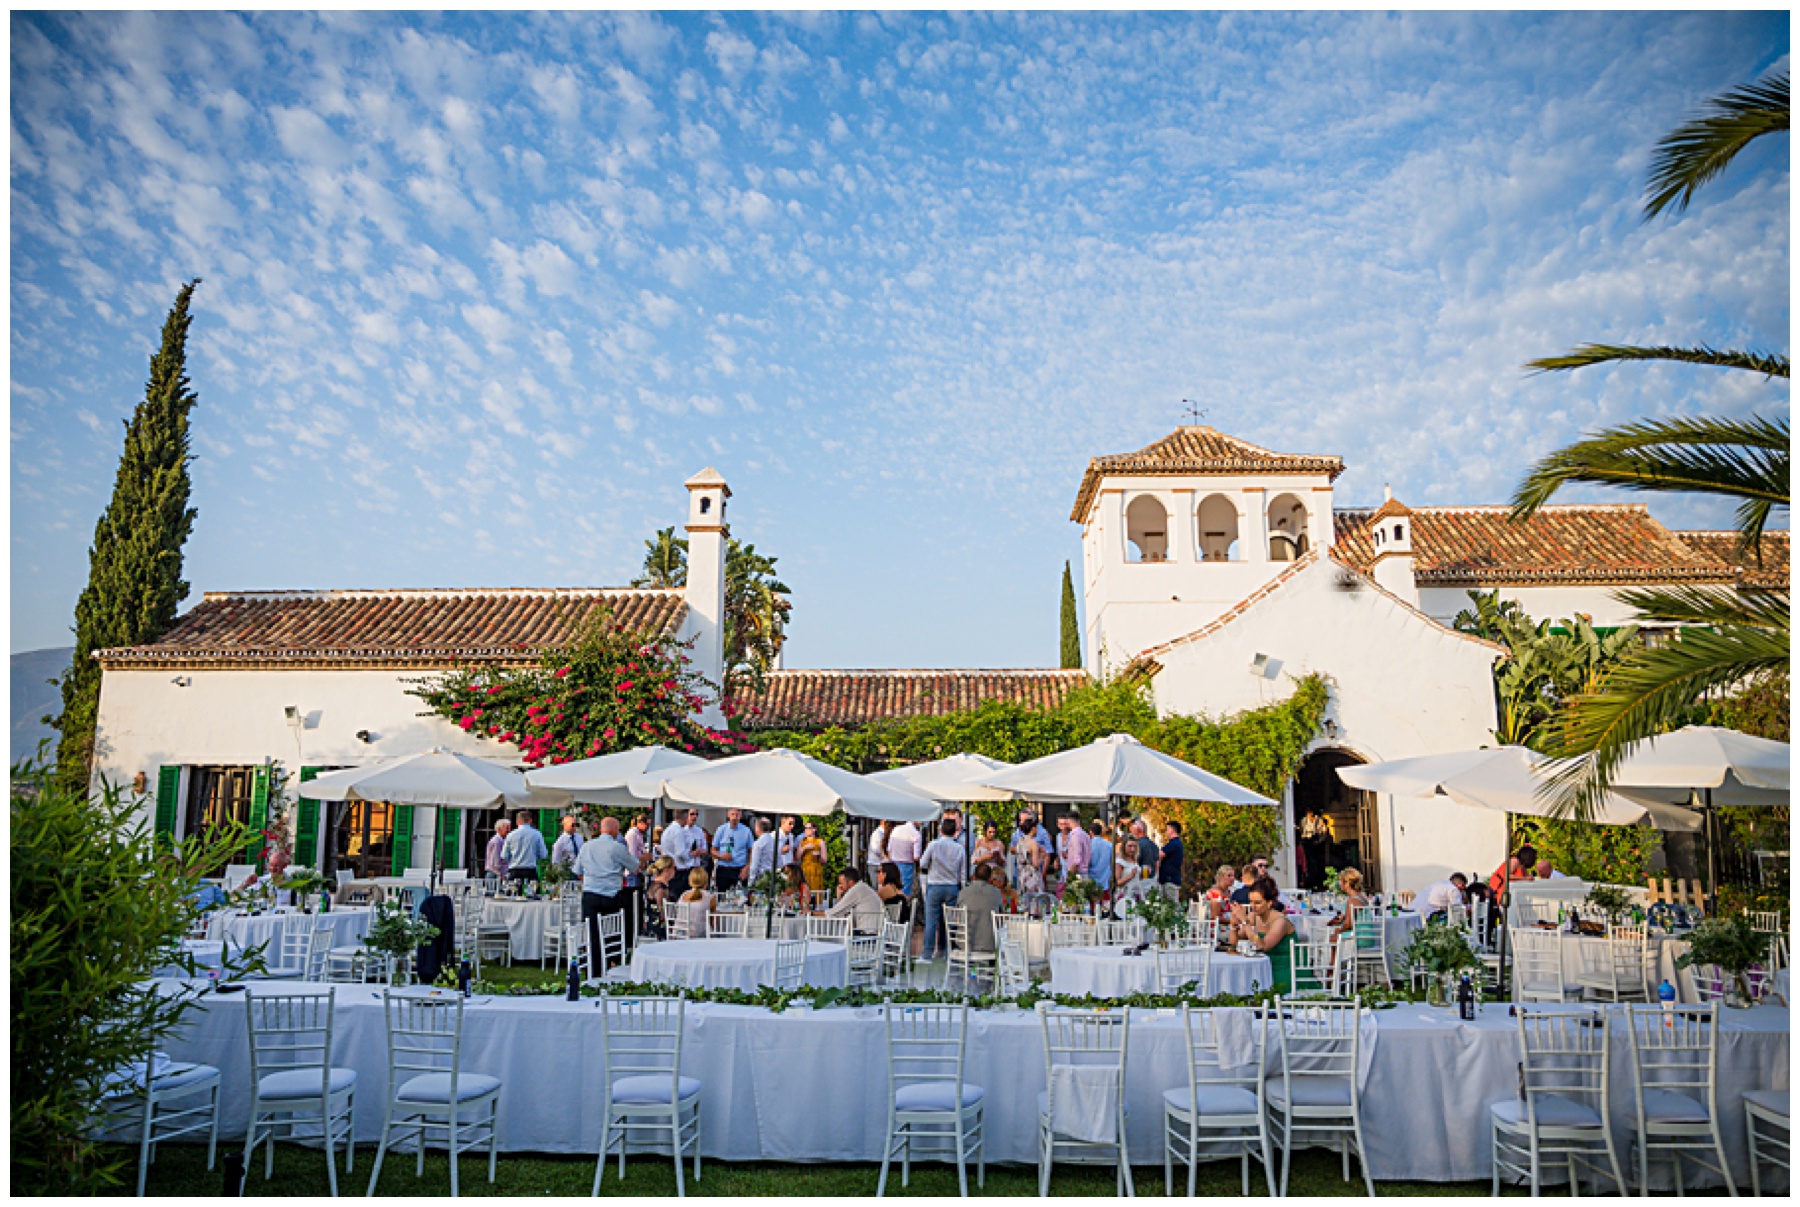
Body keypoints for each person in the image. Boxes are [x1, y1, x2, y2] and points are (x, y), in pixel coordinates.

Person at [576, 816, 639, 967]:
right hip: (611, 895)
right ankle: (612, 960)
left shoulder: (587, 846)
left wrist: (591, 881)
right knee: (614, 929)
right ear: (615, 830)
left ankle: (593, 964)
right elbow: (635, 868)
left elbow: (578, 871)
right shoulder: (617, 847)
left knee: (592, 932)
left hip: (590, 894)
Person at [1231, 876, 1297, 993]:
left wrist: (1245, 922)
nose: (1252, 906)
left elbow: (1262, 946)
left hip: (1284, 969)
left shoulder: (1280, 921)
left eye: (1257, 902)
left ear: (1269, 903)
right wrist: (1233, 926)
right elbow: (1233, 944)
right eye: (1250, 901)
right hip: (1261, 967)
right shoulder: (1253, 916)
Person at [918, 816, 968, 960]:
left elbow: (922, 863)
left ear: (940, 830)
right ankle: (946, 951)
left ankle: (927, 953)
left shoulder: (934, 845)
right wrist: (962, 887)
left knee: (931, 921)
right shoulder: (959, 848)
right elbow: (963, 872)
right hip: (952, 886)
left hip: (935, 885)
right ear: (955, 832)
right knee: (949, 921)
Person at [958, 863, 1005, 954]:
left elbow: (957, 918)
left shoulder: (963, 892)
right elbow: (1000, 916)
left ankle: (965, 965)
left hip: (966, 943)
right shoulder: (996, 893)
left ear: (973, 876)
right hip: (990, 944)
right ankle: (992, 966)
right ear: (990, 879)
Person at [825, 866, 886, 934]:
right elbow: (842, 910)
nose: (840, 886)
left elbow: (833, 913)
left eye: (842, 883)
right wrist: (839, 896)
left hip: (867, 935)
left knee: (837, 934)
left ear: (851, 883)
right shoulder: (862, 887)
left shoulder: (856, 891)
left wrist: (812, 913)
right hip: (879, 933)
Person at [710, 808, 753, 892]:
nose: (734, 817)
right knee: (721, 896)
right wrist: (721, 856)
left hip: (739, 869)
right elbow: (713, 850)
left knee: (740, 896)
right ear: (728, 815)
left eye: (737, 815)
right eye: (732, 814)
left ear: (740, 816)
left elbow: (751, 851)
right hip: (723, 868)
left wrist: (747, 868)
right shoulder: (721, 830)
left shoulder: (746, 831)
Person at [502, 811, 548, 883]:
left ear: (517, 821)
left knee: (513, 893)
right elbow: (543, 854)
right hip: (530, 871)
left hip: (514, 870)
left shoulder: (510, 835)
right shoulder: (537, 834)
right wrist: (534, 856)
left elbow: (504, 855)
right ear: (530, 821)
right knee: (532, 892)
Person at [888, 818, 922, 897]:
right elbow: (916, 857)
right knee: (905, 892)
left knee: (892, 889)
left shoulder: (896, 829)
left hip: (893, 863)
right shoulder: (916, 834)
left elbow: (889, 849)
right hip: (907, 865)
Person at [1057, 815, 1091, 883]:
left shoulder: (1075, 836)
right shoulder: (1085, 834)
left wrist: (1070, 876)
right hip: (1084, 872)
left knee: (1075, 892)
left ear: (1069, 821)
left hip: (1077, 874)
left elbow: (1077, 861)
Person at [747, 816, 778, 890]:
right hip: (772, 876)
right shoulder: (774, 841)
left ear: (758, 828)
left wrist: (750, 883)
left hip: (760, 878)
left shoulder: (758, 843)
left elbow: (754, 865)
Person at [798, 820, 828, 892]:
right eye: (805, 828)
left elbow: (824, 860)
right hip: (805, 869)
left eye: (808, 828)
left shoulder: (820, 842)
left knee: (815, 890)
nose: (806, 830)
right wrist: (804, 848)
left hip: (815, 869)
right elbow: (797, 857)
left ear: (814, 829)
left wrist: (819, 856)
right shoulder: (802, 841)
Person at [1157, 820, 1185, 896]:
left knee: (1171, 904)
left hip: (1170, 879)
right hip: (1171, 878)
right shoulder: (1176, 843)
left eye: (1167, 829)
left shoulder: (1173, 844)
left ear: (1172, 830)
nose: (1166, 832)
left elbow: (1159, 854)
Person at [1087, 820, 1114, 895]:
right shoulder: (1109, 845)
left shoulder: (1088, 845)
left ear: (1090, 832)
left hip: (1091, 879)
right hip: (1105, 878)